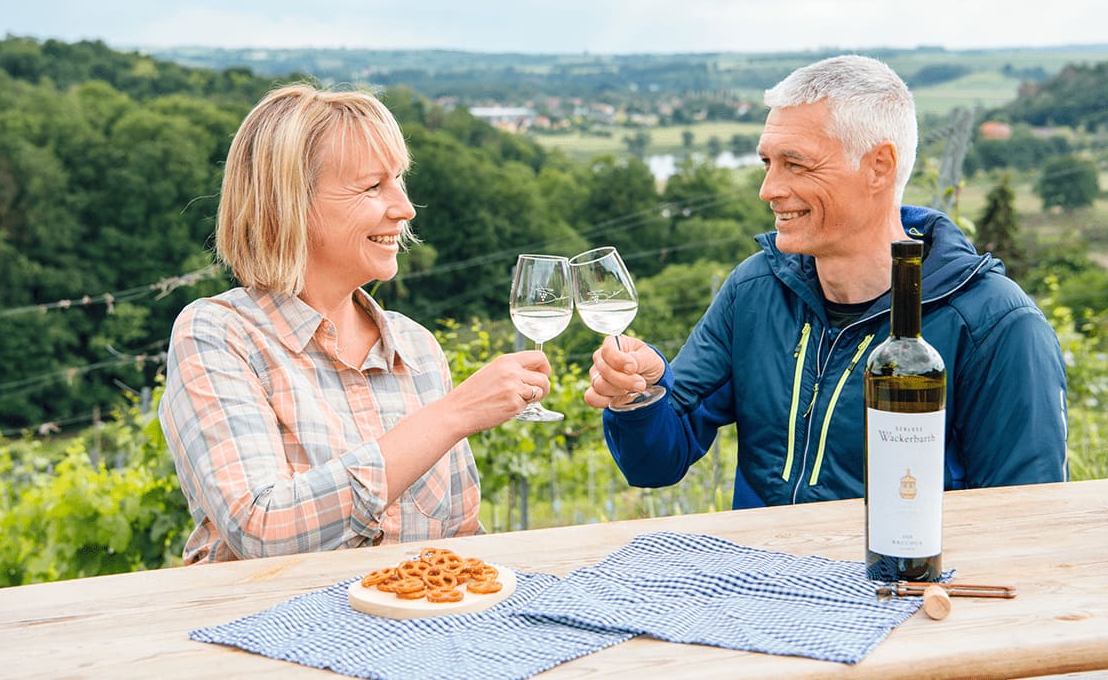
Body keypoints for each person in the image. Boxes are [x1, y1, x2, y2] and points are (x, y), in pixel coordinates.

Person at [586, 54, 1068, 509]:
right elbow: (656, 462)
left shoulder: (995, 325)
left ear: (879, 166)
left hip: (903, 573)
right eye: (767, 162)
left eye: (795, 163)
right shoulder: (754, 289)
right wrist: (640, 394)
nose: (769, 190)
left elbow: (1025, 520)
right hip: (758, 569)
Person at [159, 83, 552, 564]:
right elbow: (261, 531)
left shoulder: (417, 348)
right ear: (290, 202)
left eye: (399, 180)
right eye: (372, 186)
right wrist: (451, 416)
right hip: (276, 614)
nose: (405, 208)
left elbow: (459, 541)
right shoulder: (218, 335)